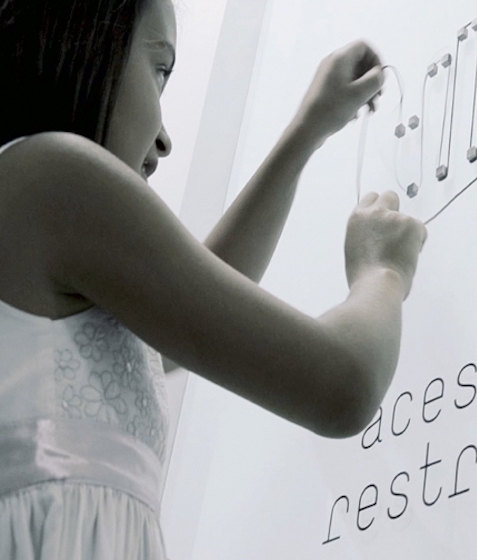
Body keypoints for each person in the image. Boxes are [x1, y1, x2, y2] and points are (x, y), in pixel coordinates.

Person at [0, 0, 427, 557]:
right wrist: (384, 270)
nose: (164, 140)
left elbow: (200, 301)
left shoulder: (35, 217)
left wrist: (306, 132)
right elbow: (342, 384)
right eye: (159, 69)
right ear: (86, 40)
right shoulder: (50, 178)